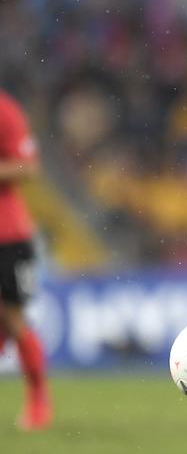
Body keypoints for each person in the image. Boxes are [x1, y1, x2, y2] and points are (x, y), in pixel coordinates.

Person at [0, 89, 52, 430]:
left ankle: (38, 400)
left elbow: (27, 166)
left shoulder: (5, 111)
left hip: (7, 235)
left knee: (13, 317)